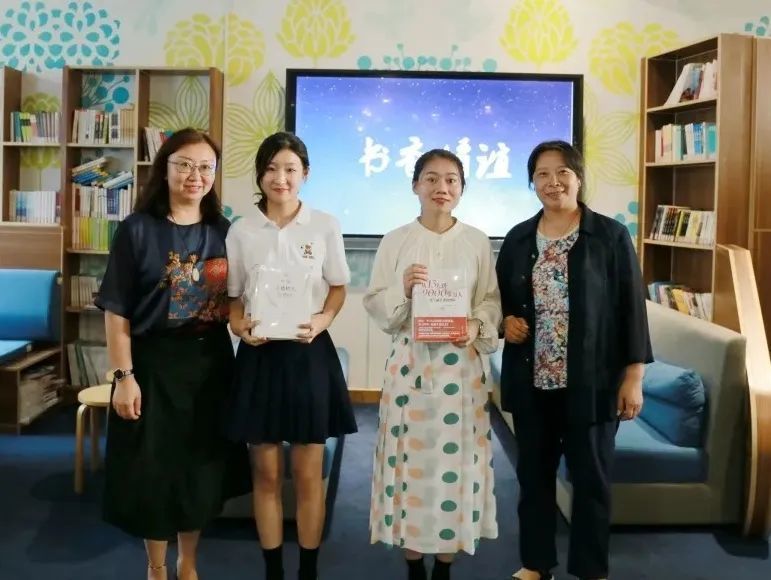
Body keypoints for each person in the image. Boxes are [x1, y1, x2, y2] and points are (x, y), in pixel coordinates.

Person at [96, 128, 250, 580]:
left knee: (199, 474)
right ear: (164, 169)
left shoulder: (225, 232)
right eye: (184, 164)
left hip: (209, 365)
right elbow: (117, 310)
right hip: (152, 366)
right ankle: (156, 567)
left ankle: (189, 565)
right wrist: (123, 376)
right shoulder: (137, 230)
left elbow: (237, 300)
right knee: (154, 473)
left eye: (205, 167)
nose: (194, 175)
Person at [495, 140, 653, 580]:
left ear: (579, 178)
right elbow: (499, 302)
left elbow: (632, 309)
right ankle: (535, 563)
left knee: (591, 482)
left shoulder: (609, 236)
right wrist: (506, 322)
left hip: (594, 384)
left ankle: (590, 570)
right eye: (542, 174)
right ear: (532, 182)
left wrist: (634, 376)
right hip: (533, 382)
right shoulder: (518, 238)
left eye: (563, 172)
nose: (553, 182)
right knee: (534, 480)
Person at [224, 131, 358, 580]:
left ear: (305, 174)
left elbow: (338, 287)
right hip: (260, 358)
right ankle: (273, 571)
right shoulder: (241, 230)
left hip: (308, 356)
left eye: (290, 169)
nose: (280, 178)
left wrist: (323, 320)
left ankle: (308, 571)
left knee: (307, 474)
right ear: (260, 174)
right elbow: (234, 296)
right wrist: (238, 324)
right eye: (271, 169)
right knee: (265, 475)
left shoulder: (324, 225)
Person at [364, 149, 502, 580]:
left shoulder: (476, 241)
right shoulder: (396, 240)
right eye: (431, 178)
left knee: (455, 467)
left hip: (461, 372)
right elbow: (376, 301)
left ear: (461, 189)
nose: (442, 188)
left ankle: (445, 563)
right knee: (410, 463)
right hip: (410, 368)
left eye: (451, 180)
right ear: (415, 185)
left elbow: (490, 300)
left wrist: (475, 325)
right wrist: (403, 290)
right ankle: (412, 562)